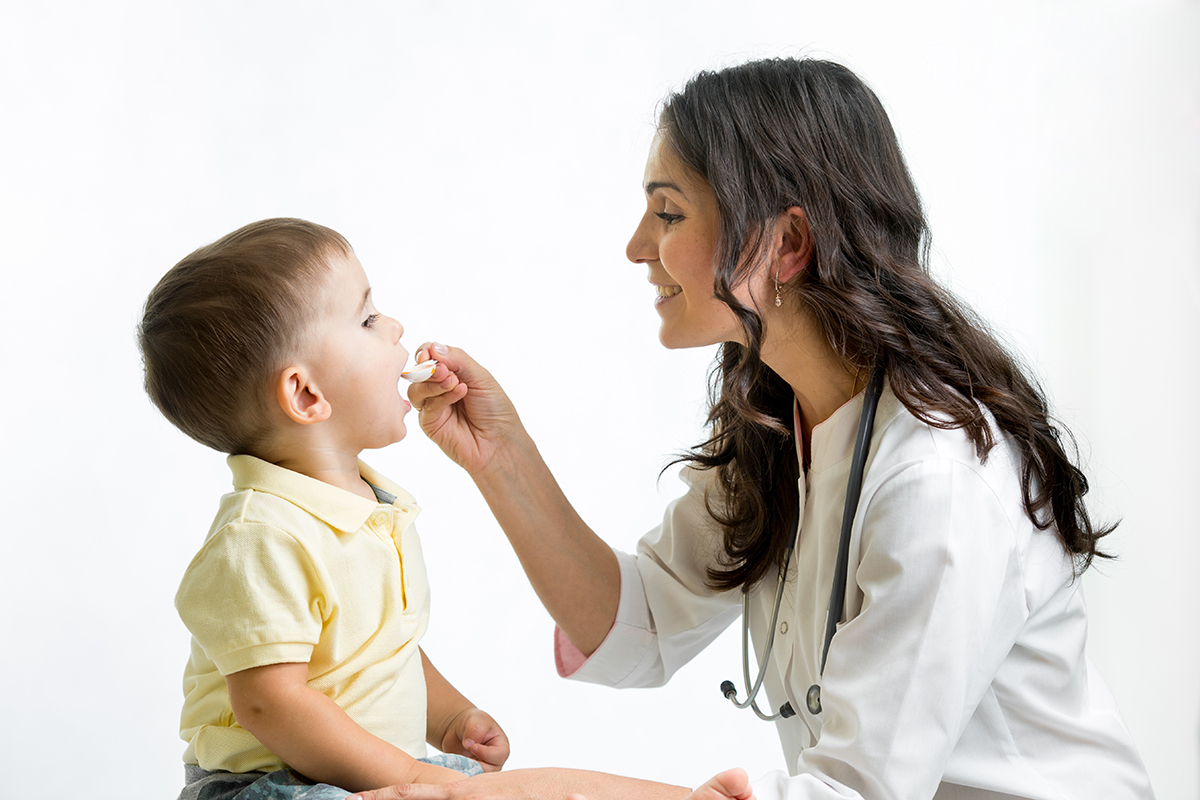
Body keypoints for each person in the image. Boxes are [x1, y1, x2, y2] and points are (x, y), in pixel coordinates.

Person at [351, 57, 1155, 800]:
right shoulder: (780, 423)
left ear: (790, 243)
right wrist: (501, 458)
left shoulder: (937, 478)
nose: (636, 247)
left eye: (667, 212)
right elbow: (641, 626)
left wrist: (504, 792)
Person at [138, 218, 510, 799]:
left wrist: (450, 721)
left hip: (375, 772)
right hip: (271, 785)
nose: (395, 328)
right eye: (367, 319)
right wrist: (411, 778)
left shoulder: (373, 507)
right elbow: (270, 700)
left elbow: (384, 649)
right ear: (307, 395)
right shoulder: (261, 537)